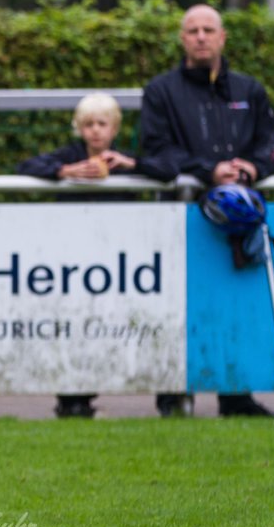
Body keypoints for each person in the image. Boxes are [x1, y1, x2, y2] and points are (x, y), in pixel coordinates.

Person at [141, 3, 274, 417]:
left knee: (238, 303)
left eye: (208, 29)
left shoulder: (249, 90)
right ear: (182, 39)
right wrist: (208, 171)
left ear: (223, 37)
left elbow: (272, 140)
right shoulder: (161, 91)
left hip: (239, 224)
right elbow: (154, 150)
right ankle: (173, 398)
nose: (201, 37)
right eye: (192, 30)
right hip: (181, 221)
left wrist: (254, 166)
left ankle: (236, 397)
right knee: (175, 307)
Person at [17, 91, 175, 418]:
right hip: (75, 260)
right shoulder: (70, 156)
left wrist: (134, 165)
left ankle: (167, 397)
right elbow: (27, 166)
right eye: (88, 124)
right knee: (75, 323)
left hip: (123, 262)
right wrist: (64, 171)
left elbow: (169, 170)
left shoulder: (126, 160)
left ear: (114, 128)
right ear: (79, 127)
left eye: (102, 124)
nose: (95, 131)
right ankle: (74, 397)